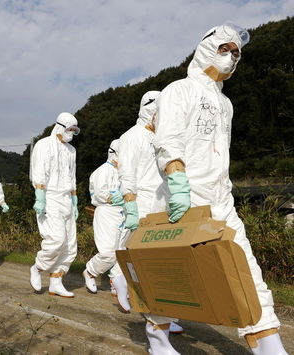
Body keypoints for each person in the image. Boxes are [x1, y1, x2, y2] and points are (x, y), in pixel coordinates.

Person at [148, 23, 287, 355]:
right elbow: (167, 140)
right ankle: (157, 337)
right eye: (224, 49)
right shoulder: (178, 90)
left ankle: (268, 346)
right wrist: (177, 181)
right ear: (206, 49)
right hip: (185, 196)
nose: (230, 58)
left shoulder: (225, 104)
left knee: (245, 269)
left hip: (221, 198)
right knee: (177, 276)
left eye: (236, 53)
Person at [115, 90, 184, 333]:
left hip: (163, 203)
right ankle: (124, 283)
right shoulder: (131, 137)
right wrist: (131, 205)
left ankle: (162, 315)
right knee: (142, 262)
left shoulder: (163, 137)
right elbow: (127, 174)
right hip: (143, 203)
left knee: (162, 263)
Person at [29, 112, 80, 298]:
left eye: (74, 130)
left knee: (69, 244)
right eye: (69, 129)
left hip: (66, 198)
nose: (71, 133)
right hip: (49, 197)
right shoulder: (44, 144)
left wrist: (75, 200)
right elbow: (39, 171)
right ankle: (38, 267)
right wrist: (40, 196)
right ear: (59, 126)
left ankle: (56, 282)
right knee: (56, 239)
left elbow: (72, 175)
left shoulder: (71, 151)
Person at [83, 140, 130, 299]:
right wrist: (116, 197)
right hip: (106, 212)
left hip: (123, 212)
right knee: (109, 252)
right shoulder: (101, 172)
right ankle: (90, 271)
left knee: (121, 250)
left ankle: (116, 282)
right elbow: (99, 194)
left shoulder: (124, 172)